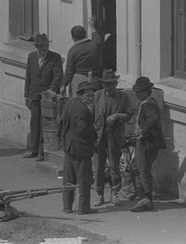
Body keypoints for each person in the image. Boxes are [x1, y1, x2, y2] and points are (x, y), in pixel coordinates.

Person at [59, 81, 100, 215]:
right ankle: (83, 207)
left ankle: (67, 206)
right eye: (88, 96)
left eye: (92, 96)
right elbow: (82, 129)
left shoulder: (70, 103)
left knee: (69, 179)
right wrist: (94, 127)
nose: (90, 98)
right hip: (81, 149)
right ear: (81, 95)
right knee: (84, 180)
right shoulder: (82, 109)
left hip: (69, 146)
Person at [93, 69, 133, 207]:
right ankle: (99, 194)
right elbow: (91, 114)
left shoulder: (122, 97)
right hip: (99, 136)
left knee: (114, 165)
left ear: (116, 83)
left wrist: (117, 116)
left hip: (114, 136)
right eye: (106, 84)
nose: (109, 87)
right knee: (98, 166)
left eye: (112, 84)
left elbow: (129, 114)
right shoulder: (97, 96)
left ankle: (115, 193)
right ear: (103, 84)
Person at [23, 33, 63, 162]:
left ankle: (42, 151)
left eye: (45, 45)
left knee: (44, 122)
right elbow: (28, 76)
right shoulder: (31, 57)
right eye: (41, 46)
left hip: (47, 96)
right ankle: (33, 149)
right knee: (34, 122)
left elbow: (58, 75)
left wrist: (51, 89)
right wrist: (26, 95)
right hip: (34, 94)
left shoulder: (55, 57)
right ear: (36, 46)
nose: (43, 48)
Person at [129, 76, 166, 212]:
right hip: (147, 141)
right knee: (135, 168)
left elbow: (153, 119)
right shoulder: (146, 103)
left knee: (141, 169)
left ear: (145, 92)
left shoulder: (149, 104)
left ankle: (146, 199)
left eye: (138, 92)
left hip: (147, 142)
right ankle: (143, 196)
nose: (136, 94)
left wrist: (143, 133)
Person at [60, 18, 102, 97]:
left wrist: (64, 85)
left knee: (78, 102)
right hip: (94, 79)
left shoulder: (73, 51)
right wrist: (92, 26)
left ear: (74, 38)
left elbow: (69, 71)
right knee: (92, 101)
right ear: (85, 35)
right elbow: (98, 38)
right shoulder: (94, 45)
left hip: (79, 80)